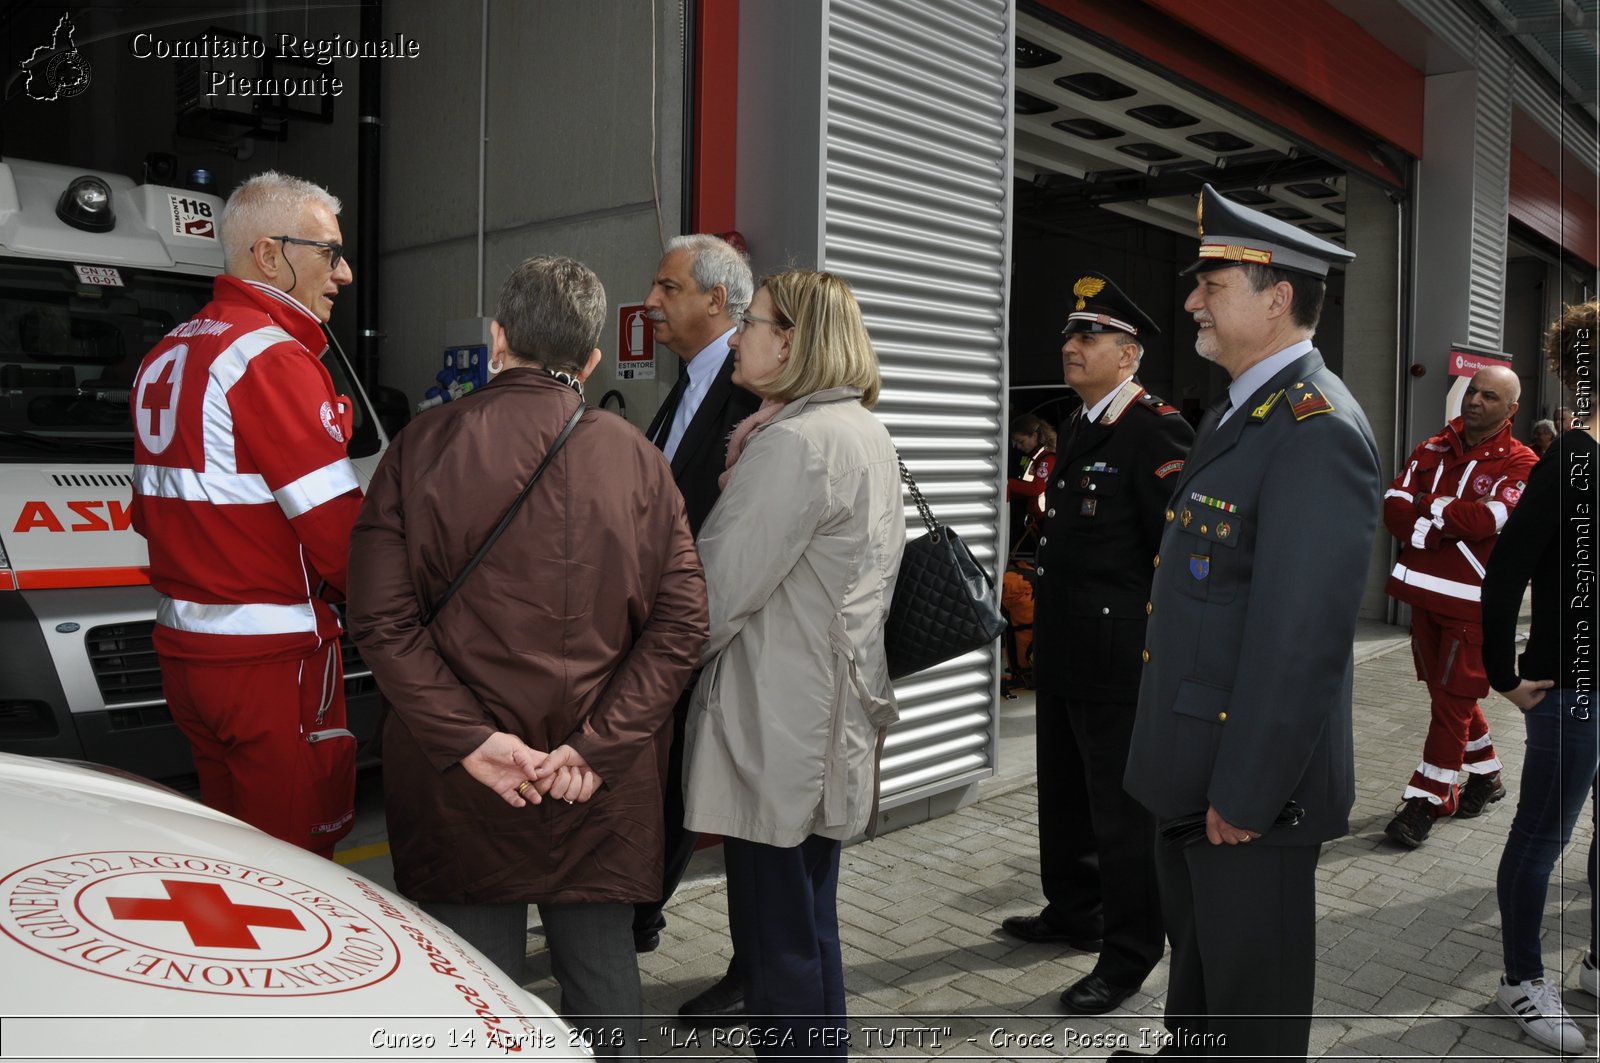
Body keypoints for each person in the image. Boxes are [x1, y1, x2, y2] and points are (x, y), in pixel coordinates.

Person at [345, 256, 708, 1059]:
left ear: (498, 337)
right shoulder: (639, 459)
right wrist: (597, 745)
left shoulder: (420, 446)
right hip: (594, 784)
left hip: (462, 784)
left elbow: (378, 616)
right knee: (604, 977)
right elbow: (682, 625)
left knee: (478, 997)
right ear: (589, 360)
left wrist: (471, 741)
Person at [1117, 185, 1382, 1060]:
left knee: (1251, 1020)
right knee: (1201, 994)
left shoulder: (1316, 427)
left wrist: (1249, 790)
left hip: (1248, 791)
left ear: (1276, 298)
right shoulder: (1243, 407)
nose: (1191, 299)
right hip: (1196, 767)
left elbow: (1300, 637)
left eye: (1212, 281)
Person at [682, 268, 904, 1059]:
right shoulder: (860, 430)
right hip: (820, 717)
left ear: (794, 341)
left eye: (753, 321)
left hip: (780, 724)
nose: (739, 335)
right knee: (809, 928)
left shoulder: (797, 444)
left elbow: (710, 595)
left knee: (780, 945)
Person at [129, 171, 361, 858]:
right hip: (271, 664)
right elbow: (340, 539)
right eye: (329, 252)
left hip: (187, 655)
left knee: (231, 860)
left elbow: (151, 514)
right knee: (292, 876)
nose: (343, 272)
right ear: (269, 255)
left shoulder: (164, 352)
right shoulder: (272, 358)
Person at [1000, 272, 1191, 1019]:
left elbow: (1174, 554)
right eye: (1070, 334)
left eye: (1089, 336)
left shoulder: (1157, 428)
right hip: (1067, 645)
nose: (1070, 346)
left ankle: (1129, 951)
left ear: (1129, 352)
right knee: (1066, 794)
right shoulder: (1079, 422)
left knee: (1121, 814)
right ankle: (1074, 909)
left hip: (1119, 657)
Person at [635, 234, 761, 1025]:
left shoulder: (750, 397)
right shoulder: (685, 387)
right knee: (668, 776)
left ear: (717, 300)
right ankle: (639, 911)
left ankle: (756, 970)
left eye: (666, 287)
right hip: (672, 626)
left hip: (723, 634)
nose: (651, 303)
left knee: (728, 802)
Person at [1482, 300, 1599, 1056]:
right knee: (1541, 838)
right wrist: (1503, 672)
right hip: (1570, 689)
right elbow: (1506, 572)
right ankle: (1522, 979)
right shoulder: (1574, 457)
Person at [1382, 366, 1536, 848]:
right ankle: (1487, 776)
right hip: (1423, 595)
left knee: (1450, 705)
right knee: (1449, 696)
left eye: (1490, 396)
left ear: (1510, 410)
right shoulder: (1432, 447)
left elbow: (1492, 519)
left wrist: (1427, 512)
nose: (1475, 401)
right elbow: (1392, 506)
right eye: (1472, 391)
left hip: (1473, 607)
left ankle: (1427, 800)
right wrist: (1442, 516)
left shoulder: (1521, 461)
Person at [1007, 412, 1057, 521]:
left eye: (1021, 442)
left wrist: (1009, 484)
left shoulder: (1047, 459)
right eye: (1016, 443)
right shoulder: (1032, 457)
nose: (1018, 447)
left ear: (1034, 436)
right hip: (1032, 518)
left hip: (1044, 520)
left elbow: (1036, 489)